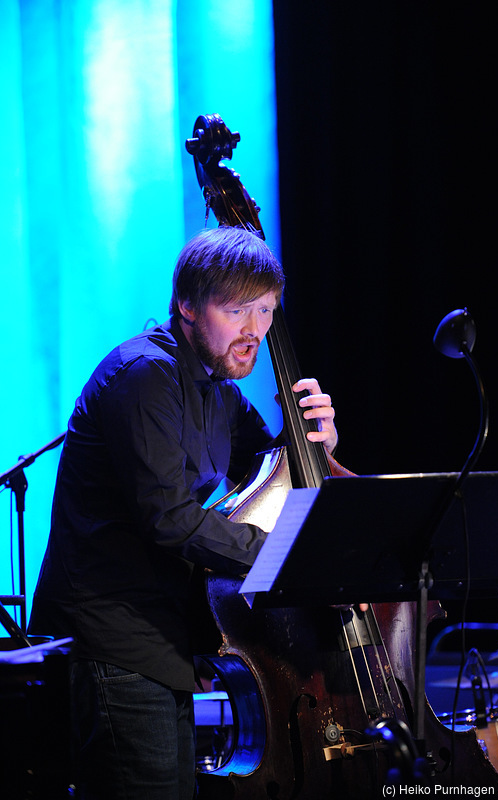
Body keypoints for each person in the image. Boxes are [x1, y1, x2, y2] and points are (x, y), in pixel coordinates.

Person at [29, 226, 339, 800]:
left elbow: (270, 468)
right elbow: (168, 517)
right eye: (237, 309)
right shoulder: (146, 375)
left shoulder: (218, 388)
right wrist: (286, 556)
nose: (255, 331)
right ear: (188, 307)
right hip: (112, 638)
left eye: (267, 310)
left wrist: (316, 441)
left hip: (161, 642)